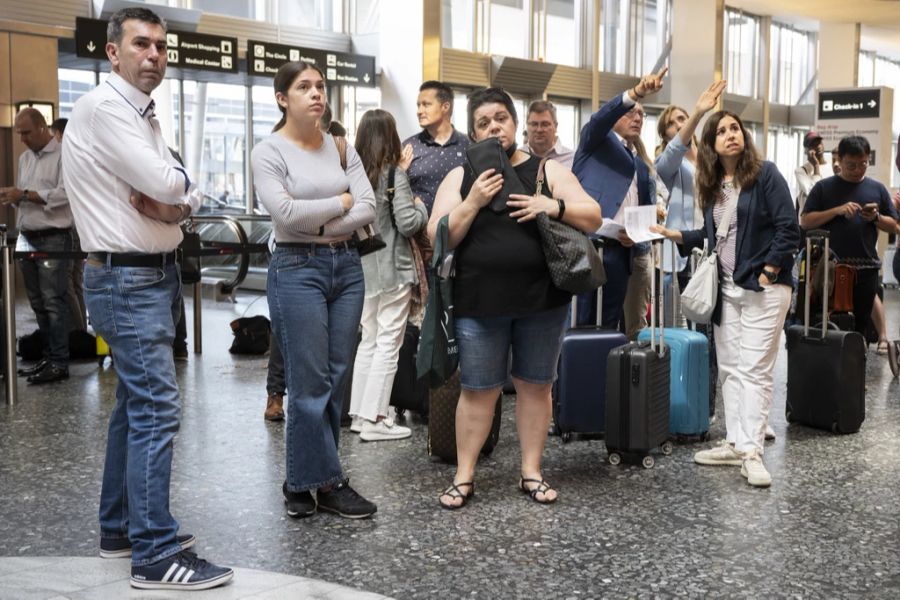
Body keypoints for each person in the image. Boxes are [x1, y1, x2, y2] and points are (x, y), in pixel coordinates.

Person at [61, 7, 233, 590]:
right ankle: (154, 554)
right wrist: (183, 196)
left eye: (161, 45)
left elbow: (172, 184)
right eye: (141, 44)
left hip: (145, 276)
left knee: (134, 408)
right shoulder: (106, 108)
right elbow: (167, 183)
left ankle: (121, 528)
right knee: (157, 408)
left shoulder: (142, 111)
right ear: (113, 51)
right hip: (126, 279)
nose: (154, 54)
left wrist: (179, 201)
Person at [430, 87, 601, 509]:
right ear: (473, 133)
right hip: (478, 303)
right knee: (478, 390)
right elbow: (439, 234)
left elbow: (594, 215)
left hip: (542, 302)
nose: (494, 127)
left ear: (515, 122)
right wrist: (473, 201)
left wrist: (552, 205)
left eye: (500, 119)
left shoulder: (545, 171)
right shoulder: (461, 177)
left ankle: (531, 471)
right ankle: (464, 476)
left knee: (535, 387)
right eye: (484, 122)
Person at [251, 60, 378, 519]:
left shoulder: (342, 147)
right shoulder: (268, 152)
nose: (316, 93)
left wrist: (321, 220)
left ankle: (301, 483)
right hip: (295, 268)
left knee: (337, 375)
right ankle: (330, 481)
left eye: (320, 86)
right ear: (282, 98)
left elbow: (368, 206)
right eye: (304, 86)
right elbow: (286, 215)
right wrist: (339, 204)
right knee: (310, 381)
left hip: (345, 266)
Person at [652, 110, 800, 488]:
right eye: (721, 131)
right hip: (727, 288)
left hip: (763, 288)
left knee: (754, 370)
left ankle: (752, 452)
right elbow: (710, 233)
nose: (731, 135)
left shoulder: (765, 175)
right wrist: (675, 235)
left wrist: (768, 272)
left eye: (735, 128)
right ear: (712, 145)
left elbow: (789, 229)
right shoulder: (713, 184)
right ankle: (736, 442)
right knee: (732, 368)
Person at [348, 109, 428, 441]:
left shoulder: (354, 176)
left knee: (368, 340)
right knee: (388, 344)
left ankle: (358, 414)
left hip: (365, 269)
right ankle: (377, 419)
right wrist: (422, 206)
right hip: (394, 269)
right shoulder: (394, 174)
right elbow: (408, 222)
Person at [572, 67, 667, 338]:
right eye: (630, 112)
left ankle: (603, 380)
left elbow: (644, 210)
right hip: (590, 246)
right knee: (582, 322)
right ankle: (573, 380)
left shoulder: (639, 163)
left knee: (610, 325)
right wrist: (636, 93)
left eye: (642, 114)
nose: (637, 118)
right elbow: (601, 118)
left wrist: (636, 236)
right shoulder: (594, 141)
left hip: (622, 252)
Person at [801, 135, 898, 341]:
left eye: (863, 164)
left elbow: (895, 226)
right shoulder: (824, 188)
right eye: (851, 165)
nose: (857, 170)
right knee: (827, 321)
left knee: (861, 323)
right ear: (839, 160)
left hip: (867, 267)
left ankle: (857, 365)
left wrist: (876, 217)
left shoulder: (877, 189)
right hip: (831, 268)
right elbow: (806, 221)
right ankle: (830, 365)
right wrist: (836, 210)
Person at [1, 108, 73, 384]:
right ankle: (47, 357)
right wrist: (15, 197)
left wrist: (25, 195)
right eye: (18, 132)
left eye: (26, 132)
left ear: (43, 127)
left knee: (54, 301)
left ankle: (59, 361)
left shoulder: (65, 155)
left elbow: (64, 195)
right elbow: (26, 193)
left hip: (54, 236)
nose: (22, 138)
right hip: (27, 234)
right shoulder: (24, 158)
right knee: (37, 303)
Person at [401, 81, 469, 214]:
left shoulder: (468, 145)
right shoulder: (409, 146)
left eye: (426, 105)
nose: (419, 111)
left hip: (461, 228)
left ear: (445, 107)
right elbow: (398, 192)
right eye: (418, 105)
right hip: (418, 230)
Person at [524, 100, 574, 169]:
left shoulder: (572, 160)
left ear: (555, 126)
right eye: (534, 124)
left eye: (545, 124)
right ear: (527, 126)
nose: (539, 130)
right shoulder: (516, 158)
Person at [795, 131, 828, 214]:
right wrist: (816, 166)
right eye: (813, 145)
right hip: (809, 221)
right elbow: (812, 192)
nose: (818, 146)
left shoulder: (832, 167)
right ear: (806, 151)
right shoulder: (801, 170)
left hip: (827, 218)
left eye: (819, 143)